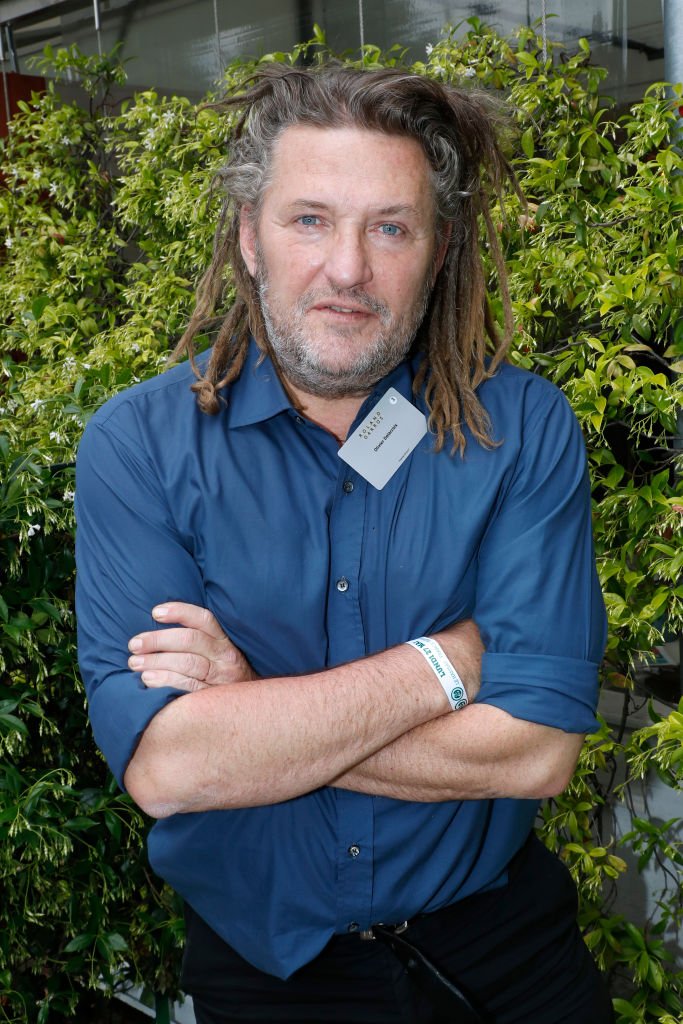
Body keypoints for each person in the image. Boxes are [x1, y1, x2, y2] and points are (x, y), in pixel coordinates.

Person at [75, 65, 614, 1024]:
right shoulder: (139, 448)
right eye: (309, 220)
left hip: (505, 964)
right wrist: (446, 664)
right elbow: (170, 769)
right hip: (268, 975)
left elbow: (534, 753)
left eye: (390, 227)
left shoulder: (520, 429)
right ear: (250, 236)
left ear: (439, 248)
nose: (349, 269)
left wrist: (249, 716)